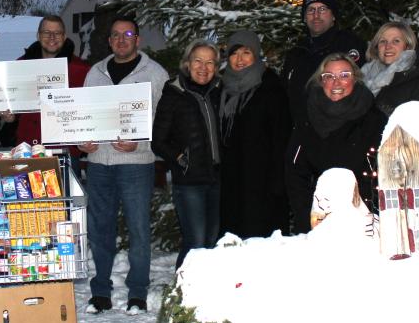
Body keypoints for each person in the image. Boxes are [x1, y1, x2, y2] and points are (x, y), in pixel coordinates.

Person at [79, 16, 169, 315]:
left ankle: (137, 293)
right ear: (109, 41)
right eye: (115, 35)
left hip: (135, 162)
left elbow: (166, 121)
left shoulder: (155, 74)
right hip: (99, 163)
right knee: (99, 229)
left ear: (138, 39)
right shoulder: (95, 73)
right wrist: (83, 141)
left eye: (127, 34)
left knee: (138, 230)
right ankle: (101, 292)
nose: (121, 39)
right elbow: (83, 115)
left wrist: (141, 144)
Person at [286, 53, 387, 235]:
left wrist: (372, 218)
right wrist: (307, 217)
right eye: (329, 76)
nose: (336, 82)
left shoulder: (374, 119)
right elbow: (295, 172)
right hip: (318, 218)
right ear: (321, 81)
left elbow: (382, 171)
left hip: (365, 220)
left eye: (344, 75)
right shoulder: (307, 118)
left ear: (355, 79)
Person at [152, 39, 222, 269]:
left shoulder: (219, 92)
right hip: (190, 181)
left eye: (210, 62)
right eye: (198, 61)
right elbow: (158, 141)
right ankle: (182, 294)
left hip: (216, 179)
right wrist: (181, 159)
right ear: (187, 63)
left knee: (211, 241)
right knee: (196, 242)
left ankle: (201, 292)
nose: (204, 67)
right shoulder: (174, 94)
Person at [219, 30, 291, 238]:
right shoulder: (224, 88)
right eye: (234, 53)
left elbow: (281, 138)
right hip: (232, 182)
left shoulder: (271, 88)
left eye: (246, 52)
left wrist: (278, 183)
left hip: (263, 184)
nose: (239, 59)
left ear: (256, 54)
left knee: (261, 240)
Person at [2, 15, 91, 145]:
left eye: (57, 33)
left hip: (66, 148)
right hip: (27, 147)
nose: (52, 37)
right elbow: (12, 108)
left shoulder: (81, 70)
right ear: (38, 36)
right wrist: (10, 117)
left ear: (64, 36)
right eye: (46, 32)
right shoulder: (19, 66)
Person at [280, 0, 367, 107]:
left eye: (322, 9)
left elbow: (362, 86)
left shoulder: (349, 45)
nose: (316, 15)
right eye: (311, 10)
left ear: (333, 16)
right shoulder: (296, 52)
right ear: (305, 17)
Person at [360, 21, 419, 116]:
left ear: (407, 46)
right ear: (377, 47)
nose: (388, 46)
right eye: (383, 41)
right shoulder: (368, 76)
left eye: (396, 41)